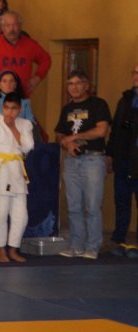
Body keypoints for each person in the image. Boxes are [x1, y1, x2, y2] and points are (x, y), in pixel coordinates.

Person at [55, 70, 111, 260]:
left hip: (92, 160)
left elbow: (101, 131)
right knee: (73, 206)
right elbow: (59, 134)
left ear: (87, 85)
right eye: (70, 83)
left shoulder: (98, 104)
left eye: (78, 83)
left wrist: (76, 137)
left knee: (92, 206)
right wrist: (67, 143)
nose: (74, 87)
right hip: (72, 161)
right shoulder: (67, 109)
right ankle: (76, 245)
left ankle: (92, 246)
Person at [0, 93, 34, 263]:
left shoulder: (25, 125)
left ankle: (13, 248)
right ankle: (1, 250)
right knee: (0, 214)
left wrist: (13, 129)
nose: (10, 112)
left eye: (14, 108)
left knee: (21, 216)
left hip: (17, 173)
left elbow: (28, 147)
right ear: (2, 108)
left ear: (20, 109)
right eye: (7, 108)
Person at [0, 11, 51, 96]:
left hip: (21, 98)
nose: (12, 29)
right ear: (3, 27)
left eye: (15, 25)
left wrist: (37, 77)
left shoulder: (31, 45)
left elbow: (46, 59)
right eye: (8, 25)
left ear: (20, 26)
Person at [106, 65, 138, 258]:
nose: (136, 76)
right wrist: (110, 154)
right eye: (134, 73)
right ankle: (120, 241)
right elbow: (116, 129)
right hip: (124, 159)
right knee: (122, 200)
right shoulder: (125, 100)